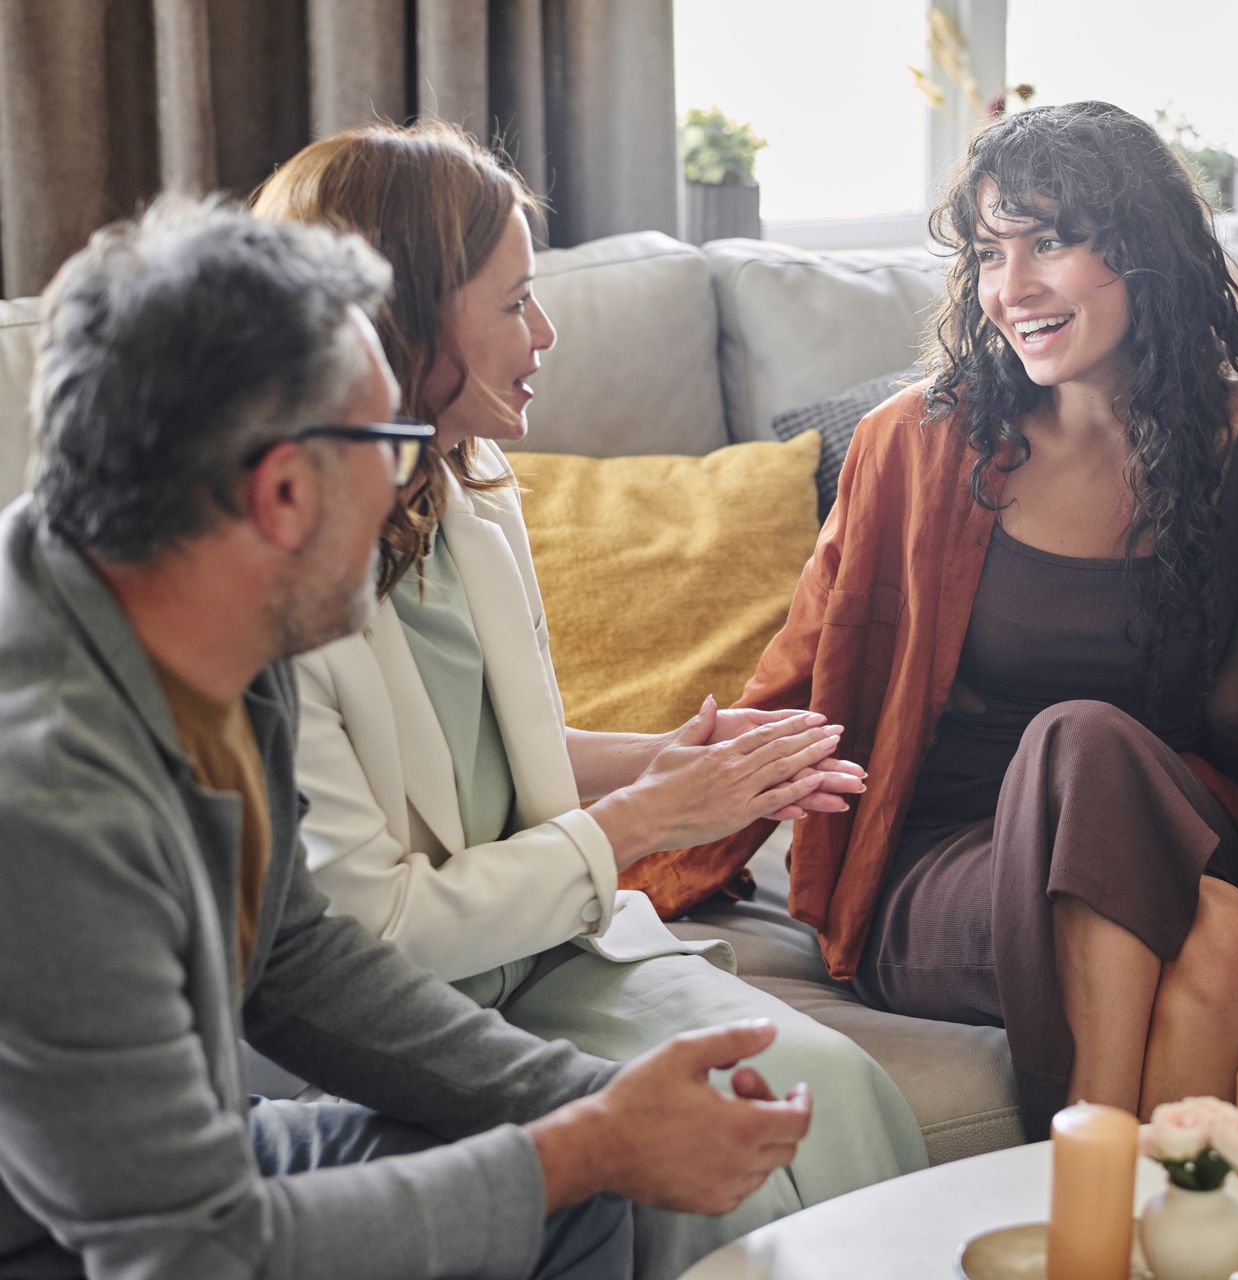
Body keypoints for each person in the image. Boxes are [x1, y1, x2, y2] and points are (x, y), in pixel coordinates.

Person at [0, 197, 814, 1280]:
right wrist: (580, 1146)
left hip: (169, 1176)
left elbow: (289, 954)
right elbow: (190, 1247)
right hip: (74, 1238)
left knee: (569, 1195)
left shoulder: (220, 642)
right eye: (390, 439)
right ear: (284, 491)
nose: (416, 473)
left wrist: (589, 1104)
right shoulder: (45, 795)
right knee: (563, 1177)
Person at [252, 122, 926, 1277]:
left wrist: (675, 758)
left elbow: (494, 751)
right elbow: (370, 933)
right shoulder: (271, 577)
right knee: (705, 1166)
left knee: (836, 1087)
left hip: (550, 947)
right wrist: (646, 821)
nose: (546, 334)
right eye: (515, 303)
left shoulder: (468, 482)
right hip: (408, 1002)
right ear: (405, 322)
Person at [637, 101, 1238, 1138]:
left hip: (1179, 830)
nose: (1011, 289)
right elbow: (798, 679)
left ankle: (1093, 1209)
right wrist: (630, 842)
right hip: (946, 867)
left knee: (1199, 881)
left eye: (1051, 241)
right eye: (987, 253)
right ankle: (1097, 1158)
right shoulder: (918, 446)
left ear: (1146, 249)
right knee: (1181, 877)